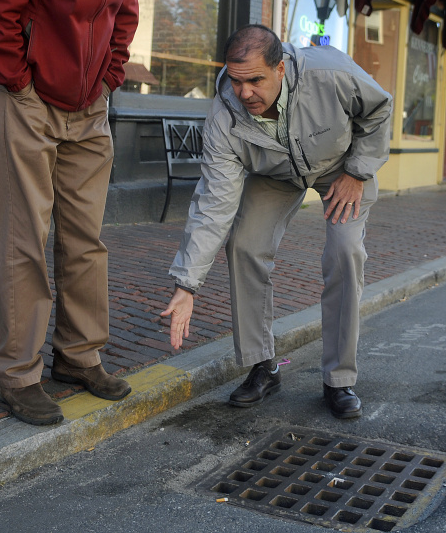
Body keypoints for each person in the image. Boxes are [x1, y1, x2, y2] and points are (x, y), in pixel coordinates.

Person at [0, 0, 166, 426]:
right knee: (23, 237)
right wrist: (19, 83)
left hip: (89, 105)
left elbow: (126, 7)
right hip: (27, 95)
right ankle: (17, 374)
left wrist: (109, 78)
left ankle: (78, 356)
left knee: (86, 238)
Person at [161, 24, 392, 419]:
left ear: (281, 68)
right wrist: (187, 284)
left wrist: (357, 172)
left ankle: (339, 379)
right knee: (245, 245)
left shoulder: (330, 74)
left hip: (341, 169)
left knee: (345, 252)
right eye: (236, 81)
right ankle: (262, 366)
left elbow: (379, 110)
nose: (245, 93)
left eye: (255, 80)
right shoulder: (224, 115)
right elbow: (215, 204)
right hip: (276, 173)